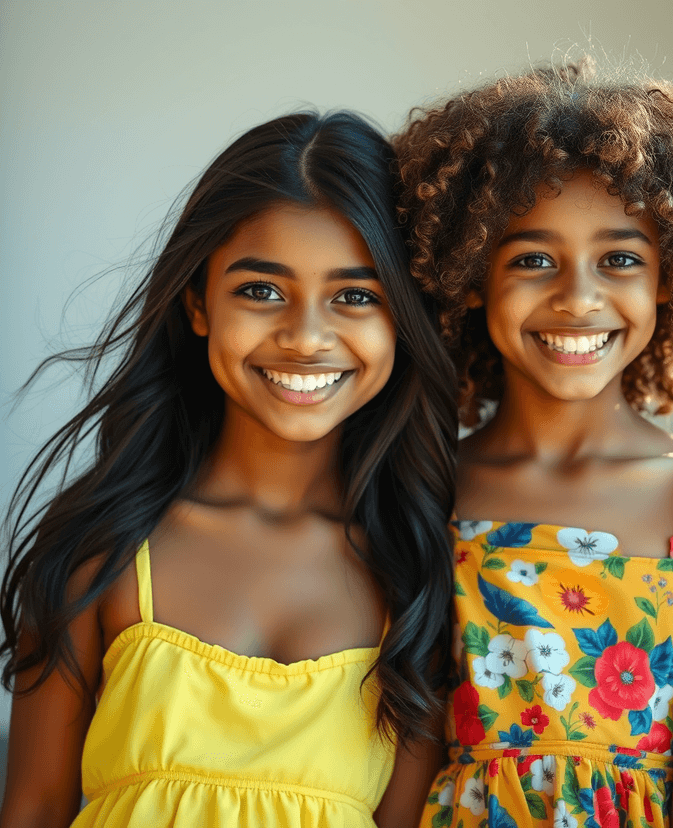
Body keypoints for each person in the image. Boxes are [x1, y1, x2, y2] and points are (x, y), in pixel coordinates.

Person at [0, 111, 457, 827]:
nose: (306, 337)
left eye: (356, 296)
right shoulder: (102, 552)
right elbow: (32, 808)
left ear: (402, 321)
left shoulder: (425, 577)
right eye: (262, 291)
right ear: (197, 303)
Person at [393, 59, 673, 828]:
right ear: (471, 274)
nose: (578, 297)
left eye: (621, 260)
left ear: (671, 275)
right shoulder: (426, 484)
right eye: (533, 259)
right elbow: (403, 770)